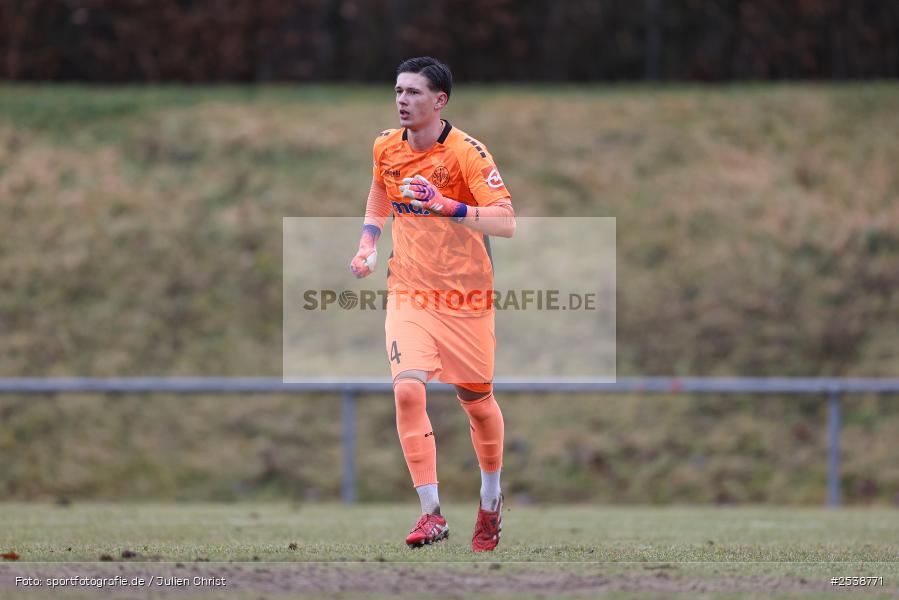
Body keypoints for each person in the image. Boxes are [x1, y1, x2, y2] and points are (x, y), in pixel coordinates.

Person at [349, 57, 516, 552]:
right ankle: (431, 514)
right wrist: (368, 242)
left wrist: (448, 207)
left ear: (439, 101)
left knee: (477, 402)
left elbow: (506, 222)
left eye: (414, 93)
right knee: (406, 391)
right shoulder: (385, 145)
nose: (403, 100)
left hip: (466, 296)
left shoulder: (467, 154)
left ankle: (490, 499)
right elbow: (381, 188)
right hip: (410, 290)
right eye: (398, 91)